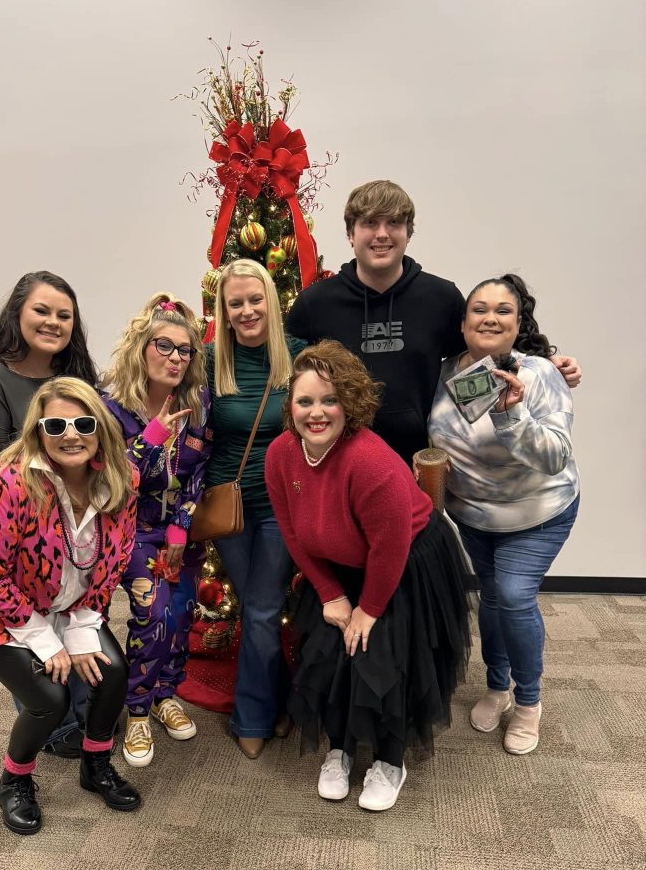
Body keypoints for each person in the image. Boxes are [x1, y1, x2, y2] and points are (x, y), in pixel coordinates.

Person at [0, 378, 140, 835]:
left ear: (100, 428)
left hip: (59, 598)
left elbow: (114, 560)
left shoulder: (122, 479)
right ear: (39, 431)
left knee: (113, 671)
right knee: (48, 699)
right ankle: (14, 780)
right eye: (56, 425)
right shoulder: (10, 482)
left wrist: (79, 630)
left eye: (83, 423)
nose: (71, 435)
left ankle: (95, 765)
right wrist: (45, 640)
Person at [265, 342, 471, 811]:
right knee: (328, 651)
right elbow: (292, 531)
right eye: (305, 401)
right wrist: (330, 593)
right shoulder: (279, 454)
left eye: (330, 400)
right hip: (338, 563)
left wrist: (370, 609)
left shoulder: (370, 461)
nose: (316, 412)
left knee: (383, 658)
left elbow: (389, 546)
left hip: (403, 561)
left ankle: (389, 760)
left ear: (350, 403)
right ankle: (338, 749)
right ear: (291, 405)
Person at [286, 180, 581, 466]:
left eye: (394, 223)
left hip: (422, 462)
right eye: (370, 223)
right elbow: (284, 373)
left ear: (408, 233)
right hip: (338, 461)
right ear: (351, 234)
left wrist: (541, 362)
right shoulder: (315, 304)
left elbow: (481, 351)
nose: (382, 234)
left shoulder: (441, 298)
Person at [428, 274, 579, 755]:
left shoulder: (540, 374)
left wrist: (512, 415)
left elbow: (555, 456)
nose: (490, 318)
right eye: (480, 309)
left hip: (538, 511)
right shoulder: (442, 373)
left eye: (503, 311)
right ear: (462, 322)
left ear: (518, 324)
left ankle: (529, 701)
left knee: (513, 596)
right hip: (474, 516)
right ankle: (497, 686)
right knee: (492, 598)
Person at [0, 271, 98, 758]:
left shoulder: (75, 374)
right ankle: (52, 720)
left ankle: (80, 709)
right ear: (17, 312)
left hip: (70, 517)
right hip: (14, 523)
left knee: (69, 612)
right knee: (29, 623)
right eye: (42, 310)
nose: (53, 322)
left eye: (64, 315)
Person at [101, 294, 211, 768]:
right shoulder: (112, 411)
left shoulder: (197, 403)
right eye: (164, 346)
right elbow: (110, 483)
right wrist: (151, 439)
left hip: (180, 533)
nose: (175, 358)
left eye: (184, 350)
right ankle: (138, 709)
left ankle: (166, 693)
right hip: (133, 531)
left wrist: (182, 527)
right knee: (155, 612)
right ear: (141, 349)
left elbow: (200, 470)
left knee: (182, 615)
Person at [203, 259, 307, 759]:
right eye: (235, 303)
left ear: (271, 301)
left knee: (264, 609)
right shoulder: (209, 361)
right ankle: (281, 698)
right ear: (224, 312)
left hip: (281, 505)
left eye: (254, 299)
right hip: (228, 507)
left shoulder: (299, 357)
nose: (246, 311)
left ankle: (252, 717)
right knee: (257, 608)